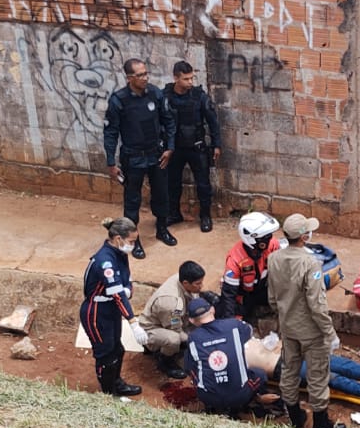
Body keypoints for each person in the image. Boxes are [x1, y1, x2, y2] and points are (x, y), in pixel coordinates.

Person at [268, 213, 339, 428]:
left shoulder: (274, 259)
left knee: (289, 371)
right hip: (311, 331)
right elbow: (316, 304)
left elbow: (272, 298)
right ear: (304, 236)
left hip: (288, 327)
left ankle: (296, 417)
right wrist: (329, 333)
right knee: (317, 375)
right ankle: (321, 424)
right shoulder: (311, 263)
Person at [103, 59, 176, 258]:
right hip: (133, 158)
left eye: (146, 74)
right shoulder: (119, 100)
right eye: (140, 75)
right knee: (132, 201)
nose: (145, 78)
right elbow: (111, 132)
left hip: (156, 155)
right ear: (129, 78)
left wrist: (169, 148)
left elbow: (169, 121)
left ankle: (162, 229)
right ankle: (134, 240)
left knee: (161, 195)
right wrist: (111, 162)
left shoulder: (155, 93)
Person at [184, 296, 279, 417]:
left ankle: (213, 405)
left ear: (192, 320)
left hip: (208, 397)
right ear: (212, 310)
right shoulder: (233, 325)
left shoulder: (193, 338)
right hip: (239, 396)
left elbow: (189, 369)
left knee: (194, 369)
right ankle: (251, 400)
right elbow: (248, 332)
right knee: (260, 374)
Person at [80, 217, 143, 397]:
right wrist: (133, 322)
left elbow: (126, 279)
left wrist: (128, 290)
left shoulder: (120, 254)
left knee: (117, 349)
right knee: (106, 354)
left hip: (111, 309)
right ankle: (109, 394)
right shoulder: (105, 261)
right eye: (131, 241)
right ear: (118, 239)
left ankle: (117, 384)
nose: (133, 245)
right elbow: (117, 293)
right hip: (97, 313)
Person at [163, 61, 222, 233]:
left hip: (197, 147)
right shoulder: (165, 96)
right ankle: (174, 214)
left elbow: (213, 121)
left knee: (203, 185)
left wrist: (216, 144)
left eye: (192, 78)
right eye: (186, 79)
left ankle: (205, 216)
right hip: (175, 148)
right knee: (172, 183)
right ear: (176, 78)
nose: (190, 82)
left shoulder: (199, 96)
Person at [137, 260, 205, 379]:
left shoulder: (181, 277)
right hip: (151, 328)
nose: (201, 286)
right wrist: (191, 340)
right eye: (198, 284)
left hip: (166, 319)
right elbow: (175, 328)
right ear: (185, 283)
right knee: (174, 339)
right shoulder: (171, 302)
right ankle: (165, 362)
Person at [219, 211, 285, 324]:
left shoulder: (273, 245)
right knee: (233, 315)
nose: (270, 239)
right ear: (253, 239)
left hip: (266, 289)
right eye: (266, 237)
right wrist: (229, 325)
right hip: (244, 296)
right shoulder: (235, 260)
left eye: (270, 235)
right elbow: (229, 294)